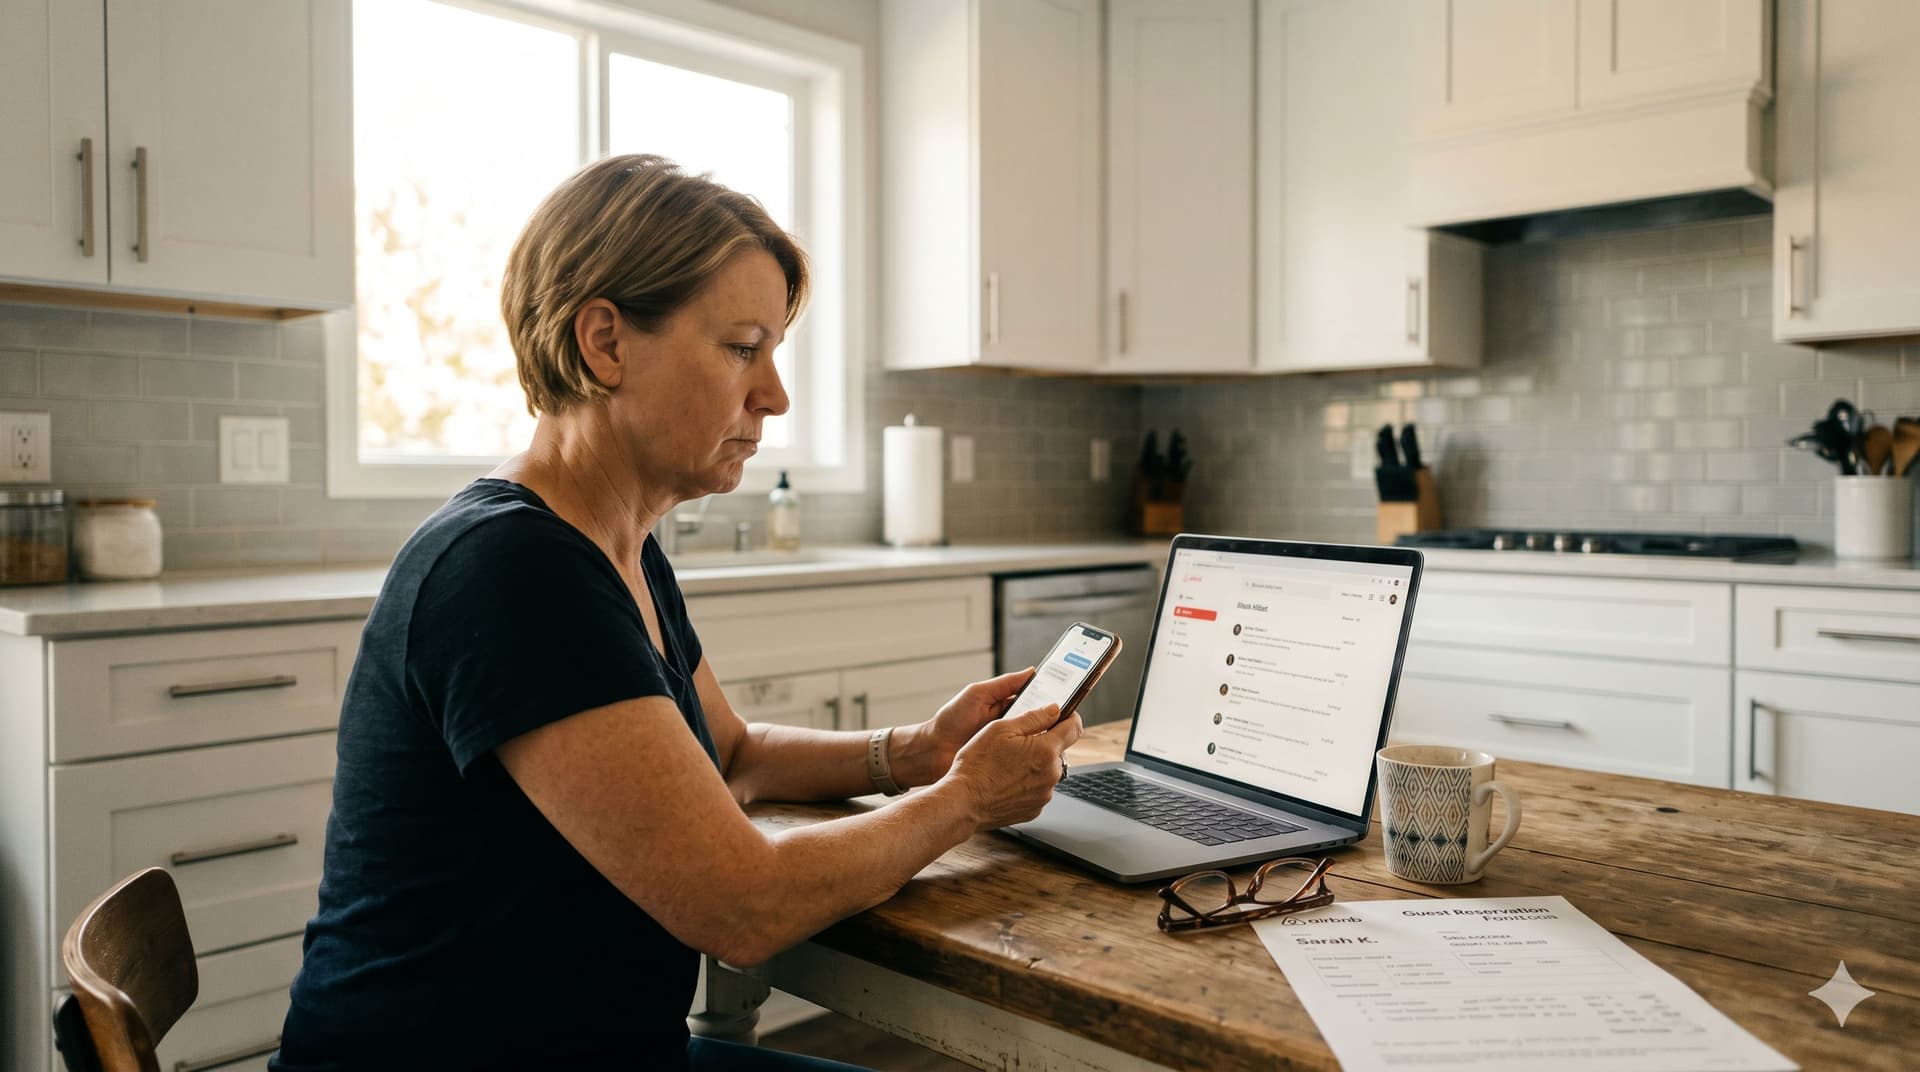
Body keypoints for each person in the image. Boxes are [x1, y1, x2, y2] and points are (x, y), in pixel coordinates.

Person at [272, 155, 1082, 1072]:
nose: (774, 395)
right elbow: (744, 907)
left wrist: (914, 753)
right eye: (743, 347)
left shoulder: (618, 546)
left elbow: (730, 755)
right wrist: (968, 798)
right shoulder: (511, 572)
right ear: (605, 343)